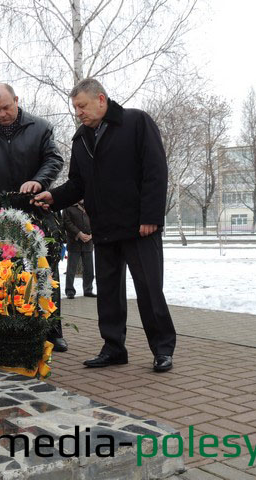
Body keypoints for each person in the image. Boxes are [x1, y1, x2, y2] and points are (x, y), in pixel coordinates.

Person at [33, 78, 177, 372]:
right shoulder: (81, 138)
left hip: (139, 227)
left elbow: (155, 169)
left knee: (149, 289)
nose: (79, 113)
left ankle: (162, 349)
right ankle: (114, 348)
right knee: (109, 293)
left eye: (82, 106)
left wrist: (150, 217)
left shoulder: (136, 122)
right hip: (105, 228)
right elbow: (78, 184)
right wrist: (53, 197)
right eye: (75, 108)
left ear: (101, 99)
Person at [0, 82, 68, 351]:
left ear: (17, 100)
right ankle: (9, 329)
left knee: (44, 270)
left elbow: (53, 160)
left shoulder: (40, 128)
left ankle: (53, 330)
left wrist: (39, 181)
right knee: (4, 273)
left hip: (36, 211)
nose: (1, 114)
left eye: (6, 107)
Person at [62, 201, 95, 299]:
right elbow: (67, 223)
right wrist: (79, 234)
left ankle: (88, 290)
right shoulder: (68, 207)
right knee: (71, 268)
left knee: (89, 268)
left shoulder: (91, 205)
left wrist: (91, 235)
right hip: (74, 242)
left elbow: (96, 220)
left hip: (88, 242)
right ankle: (70, 291)